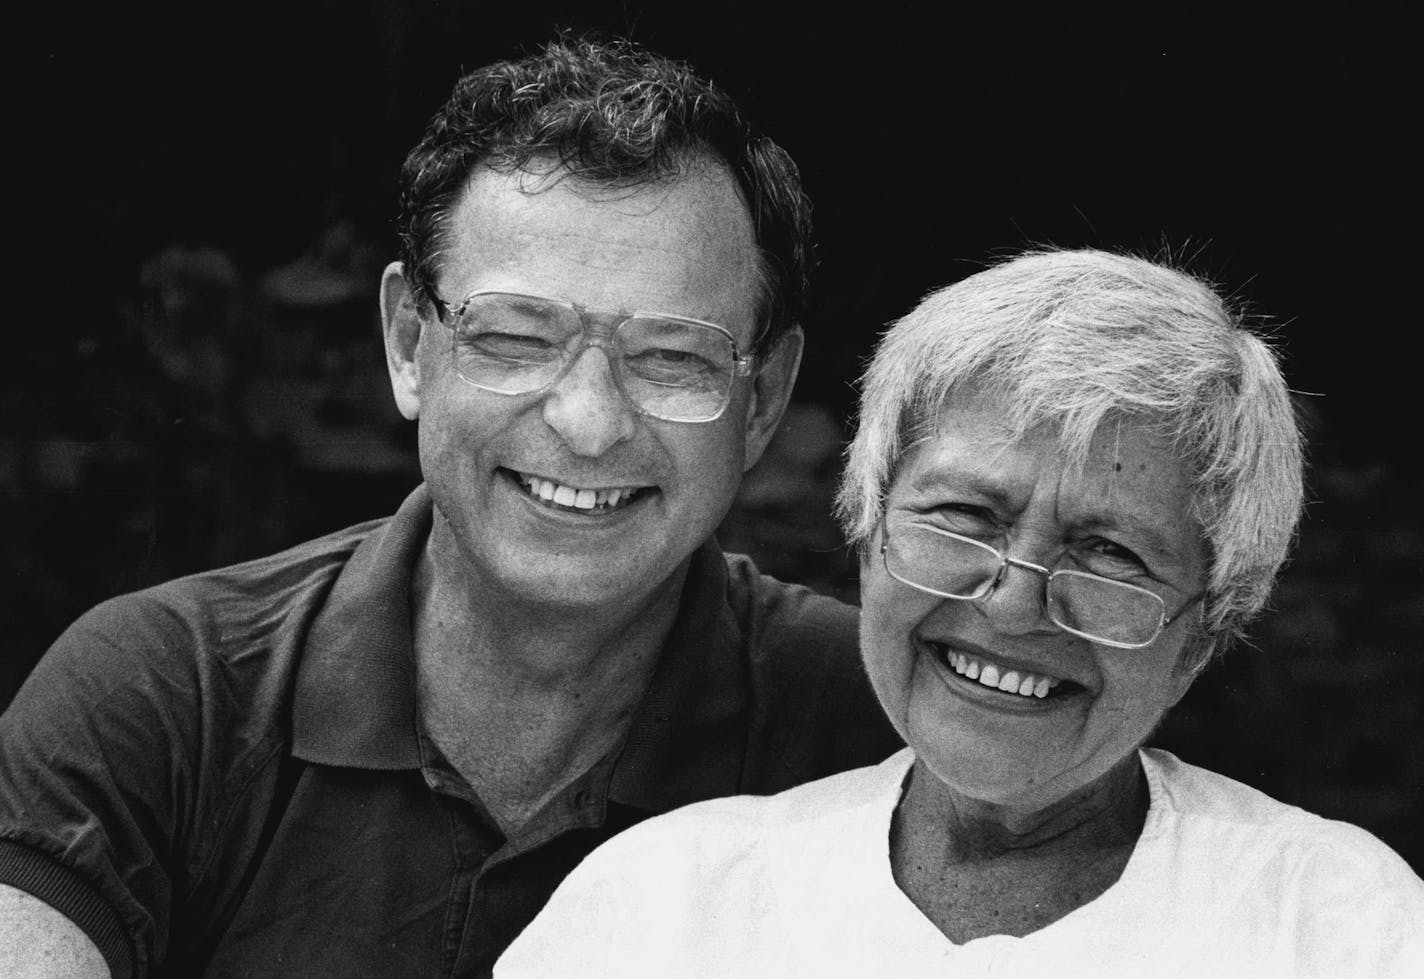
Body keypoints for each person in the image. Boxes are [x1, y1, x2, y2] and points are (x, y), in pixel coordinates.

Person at [0, 38, 901, 978]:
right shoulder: (162, 695)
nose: (589, 423)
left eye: (672, 356)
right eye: (514, 336)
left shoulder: (875, 727)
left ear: (760, 401)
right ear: (405, 343)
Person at [496, 249, 1424, 977]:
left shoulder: (1343, 928)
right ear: (866, 531)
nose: (1016, 603)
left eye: (1109, 553)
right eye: (966, 517)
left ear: (1202, 637)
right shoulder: (660, 908)